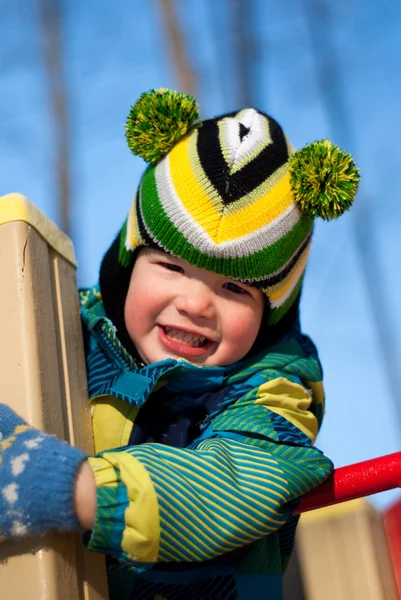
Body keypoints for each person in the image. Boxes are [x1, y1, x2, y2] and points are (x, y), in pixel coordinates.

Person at [0, 89, 360, 599]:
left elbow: (235, 484)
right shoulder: (68, 326)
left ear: (272, 312)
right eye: (170, 265)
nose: (195, 303)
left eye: (234, 288)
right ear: (129, 262)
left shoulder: (273, 396)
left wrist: (69, 487)